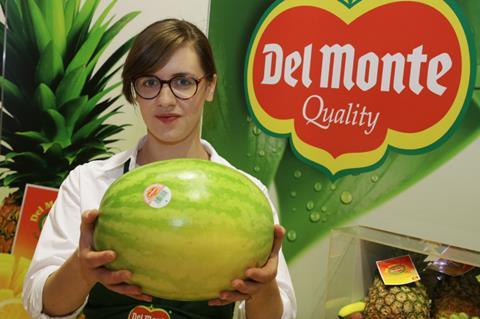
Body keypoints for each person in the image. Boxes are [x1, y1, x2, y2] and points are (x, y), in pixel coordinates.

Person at [22, 19, 297, 319]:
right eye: (150, 83)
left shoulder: (248, 194)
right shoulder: (88, 184)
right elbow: (41, 306)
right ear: (134, 90)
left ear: (209, 86)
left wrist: (264, 287)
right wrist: (82, 268)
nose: (165, 100)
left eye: (182, 82)